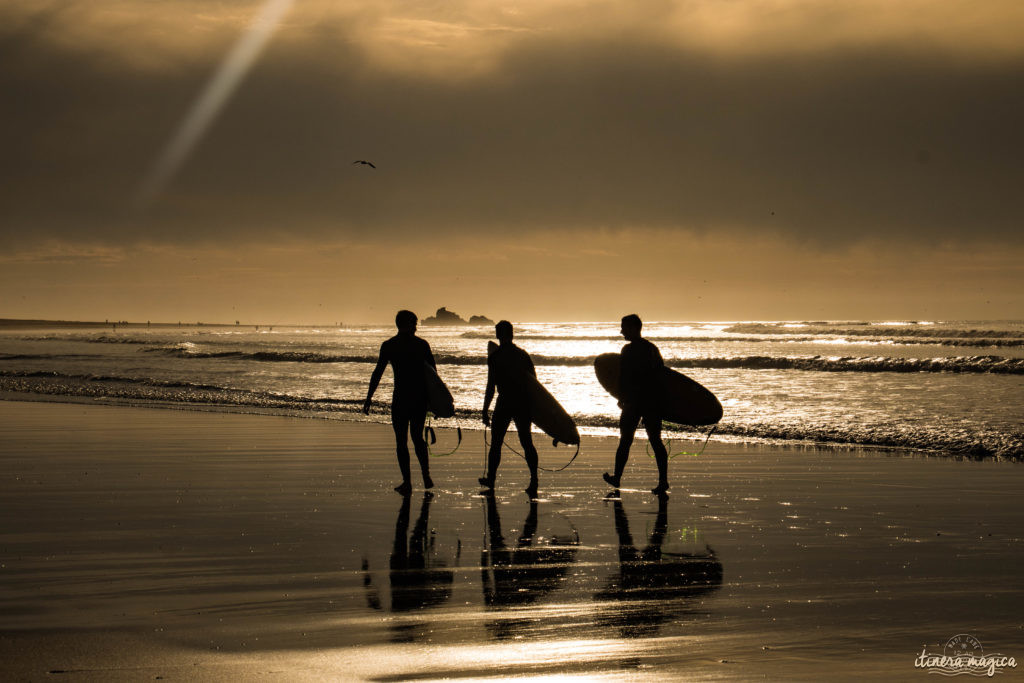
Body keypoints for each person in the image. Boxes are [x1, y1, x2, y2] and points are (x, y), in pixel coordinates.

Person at [363, 310, 435, 494]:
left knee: (401, 441)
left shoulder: (389, 345)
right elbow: (434, 375)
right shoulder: (421, 345)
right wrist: (432, 401)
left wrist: (369, 398)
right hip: (418, 398)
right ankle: (425, 475)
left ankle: (407, 482)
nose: (417, 326)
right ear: (407, 324)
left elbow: (377, 372)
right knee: (417, 438)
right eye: (415, 323)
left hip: (401, 398)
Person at [603, 313, 671, 494]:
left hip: (634, 402)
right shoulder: (652, 349)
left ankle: (617, 478)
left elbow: (624, 378)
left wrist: (621, 398)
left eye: (624, 327)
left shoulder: (628, 350)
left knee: (625, 441)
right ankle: (663, 481)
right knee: (656, 441)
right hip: (652, 402)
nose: (621, 331)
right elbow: (662, 376)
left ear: (633, 328)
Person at [480, 320, 539, 496]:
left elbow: (491, 386)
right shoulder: (523, 355)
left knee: (496, 443)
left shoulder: (496, 357)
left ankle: (491, 480)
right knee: (526, 442)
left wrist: (484, 410)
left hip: (504, 402)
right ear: (512, 334)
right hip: (522, 403)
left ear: (498, 334)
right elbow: (534, 383)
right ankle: (534, 480)